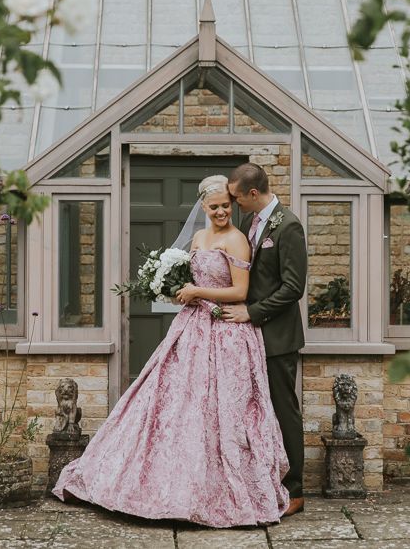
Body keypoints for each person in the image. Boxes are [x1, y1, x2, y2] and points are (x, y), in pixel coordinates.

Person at [52, 174, 290, 527]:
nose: (222, 211)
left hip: (226, 332)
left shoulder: (238, 240)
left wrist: (197, 292)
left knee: (221, 409)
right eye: (215, 206)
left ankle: (219, 491)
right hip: (192, 329)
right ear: (203, 207)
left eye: (226, 204)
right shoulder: (198, 236)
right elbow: (192, 277)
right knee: (173, 404)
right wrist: (178, 288)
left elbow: (240, 292)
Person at [224, 163, 308, 518]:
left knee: (283, 410)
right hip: (248, 337)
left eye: (236, 196)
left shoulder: (288, 226)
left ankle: (296, 490)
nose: (232, 203)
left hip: (277, 337)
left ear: (253, 194)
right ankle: (261, 482)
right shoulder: (248, 223)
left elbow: (293, 287)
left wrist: (252, 312)